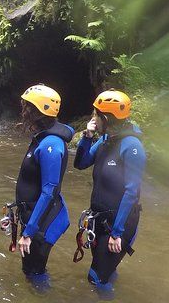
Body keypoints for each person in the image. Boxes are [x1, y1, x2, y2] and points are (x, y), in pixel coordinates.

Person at [73, 90, 146, 295]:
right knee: (105, 272)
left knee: (95, 279)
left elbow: (131, 193)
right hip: (100, 219)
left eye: (96, 114)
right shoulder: (106, 139)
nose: (93, 118)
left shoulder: (131, 146)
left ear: (105, 118)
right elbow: (81, 163)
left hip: (119, 224)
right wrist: (87, 137)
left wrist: (117, 233)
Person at [13, 84, 74, 288]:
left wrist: (29, 233)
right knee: (29, 271)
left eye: (27, 107)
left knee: (35, 274)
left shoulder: (51, 145)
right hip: (34, 216)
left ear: (37, 113)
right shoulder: (42, 139)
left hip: (41, 223)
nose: (23, 110)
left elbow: (49, 191)